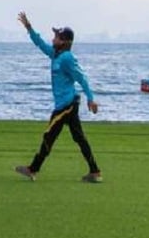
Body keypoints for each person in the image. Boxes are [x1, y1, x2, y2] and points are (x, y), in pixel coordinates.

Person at [13, 11, 103, 183]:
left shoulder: (67, 58)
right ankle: (95, 172)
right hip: (67, 105)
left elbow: (81, 78)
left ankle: (33, 169)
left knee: (49, 136)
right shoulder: (56, 55)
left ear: (65, 42)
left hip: (66, 106)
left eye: (57, 37)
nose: (53, 39)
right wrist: (29, 28)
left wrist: (91, 98)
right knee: (79, 138)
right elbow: (40, 44)